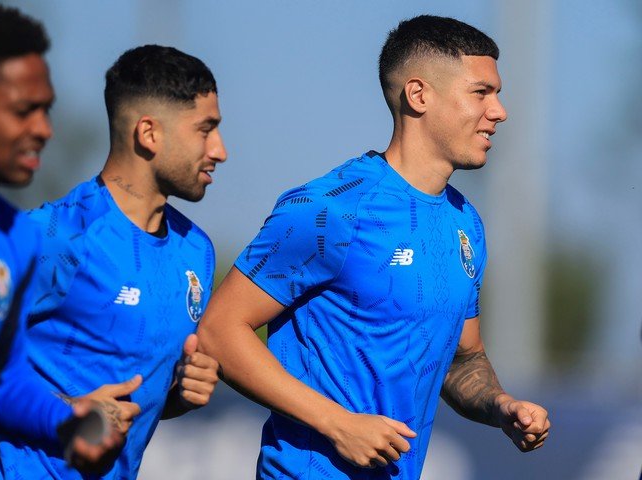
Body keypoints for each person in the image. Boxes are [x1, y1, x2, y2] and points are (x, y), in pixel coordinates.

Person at [197, 14, 551, 479]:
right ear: (419, 95)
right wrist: (338, 424)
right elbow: (219, 332)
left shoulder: (465, 223)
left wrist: (502, 407)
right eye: (481, 93)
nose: (499, 110)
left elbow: (462, 360)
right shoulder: (330, 209)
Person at [0, 44, 226, 479]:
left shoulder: (195, 251)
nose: (220, 150)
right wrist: (68, 412)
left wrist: (179, 394)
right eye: (206, 129)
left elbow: (127, 404)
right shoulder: (57, 235)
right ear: (149, 133)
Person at [0, 4, 142, 478]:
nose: (43, 129)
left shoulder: (13, 237)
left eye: (47, 109)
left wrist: (67, 422)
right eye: (24, 111)